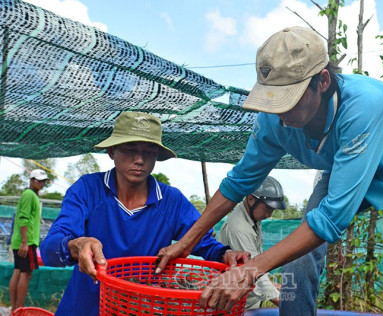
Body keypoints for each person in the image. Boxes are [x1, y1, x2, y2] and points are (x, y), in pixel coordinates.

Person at [156, 26, 383, 315]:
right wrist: (186, 243)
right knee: (301, 256)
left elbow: (332, 219)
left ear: (322, 81)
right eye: (272, 99)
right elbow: (238, 182)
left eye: (290, 99)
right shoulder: (273, 120)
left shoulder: (365, 106)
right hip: (341, 171)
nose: (280, 114)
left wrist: (251, 270)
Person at [40, 111, 249, 316]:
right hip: (84, 307)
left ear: (156, 156)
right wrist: (77, 246)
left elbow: (203, 243)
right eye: (129, 149)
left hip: (141, 308)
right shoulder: (87, 189)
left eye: (148, 151)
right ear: (112, 151)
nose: (139, 159)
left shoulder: (171, 201)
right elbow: (51, 248)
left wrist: (226, 254)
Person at [217, 176, 286, 310]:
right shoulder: (239, 229)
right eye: (267, 209)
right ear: (250, 199)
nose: (269, 215)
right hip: (236, 306)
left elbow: (255, 263)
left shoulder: (252, 218)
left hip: (246, 302)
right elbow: (254, 271)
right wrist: (288, 306)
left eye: (272, 210)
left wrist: (274, 285)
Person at [9, 169, 49, 312]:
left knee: (19, 271)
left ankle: (14, 309)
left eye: (44, 181)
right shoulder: (29, 195)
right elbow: (23, 218)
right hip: (26, 242)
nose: (42, 183)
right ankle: (18, 309)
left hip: (20, 241)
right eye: (39, 180)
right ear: (32, 180)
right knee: (26, 274)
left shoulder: (29, 195)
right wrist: (25, 242)